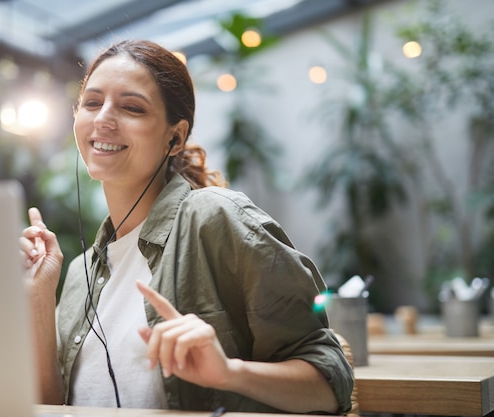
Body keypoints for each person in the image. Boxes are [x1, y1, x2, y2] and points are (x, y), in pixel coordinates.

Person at [20, 39, 354, 414]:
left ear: (175, 137)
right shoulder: (81, 271)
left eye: (132, 107)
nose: (103, 119)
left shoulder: (215, 219)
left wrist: (230, 372)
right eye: (92, 103)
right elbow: (51, 408)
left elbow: (332, 382)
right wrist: (38, 298)